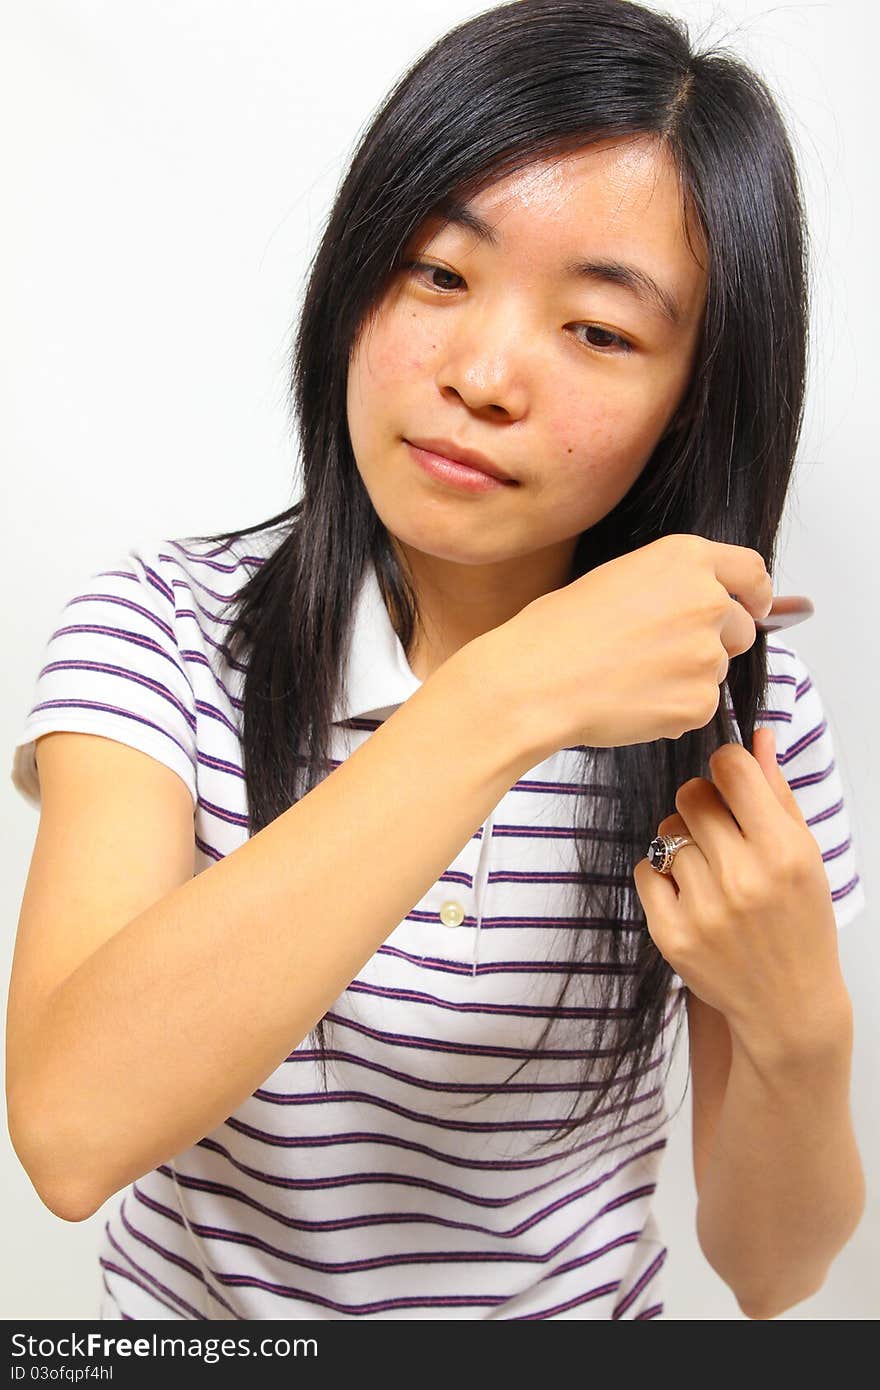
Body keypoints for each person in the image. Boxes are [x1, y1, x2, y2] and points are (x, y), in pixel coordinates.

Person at [7, 0, 866, 1321]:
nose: (480, 372)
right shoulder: (161, 631)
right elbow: (68, 1134)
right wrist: (505, 697)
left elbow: (770, 1270)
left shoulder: (738, 712)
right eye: (438, 274)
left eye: (598, 330)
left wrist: (802, 1031)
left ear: (697, 395)